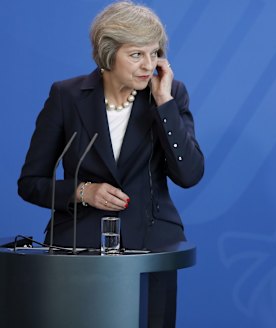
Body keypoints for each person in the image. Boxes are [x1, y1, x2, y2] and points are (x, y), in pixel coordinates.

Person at [17, 1, 204, 327]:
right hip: (76, 249)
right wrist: (82, 192)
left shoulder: (170, 93)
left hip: (151, 249)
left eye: (155, 53)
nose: (148, 65)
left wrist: (164, 104)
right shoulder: (67, 96)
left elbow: (189, 174)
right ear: (107, 53)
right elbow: (31, 183)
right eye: (136, 55)